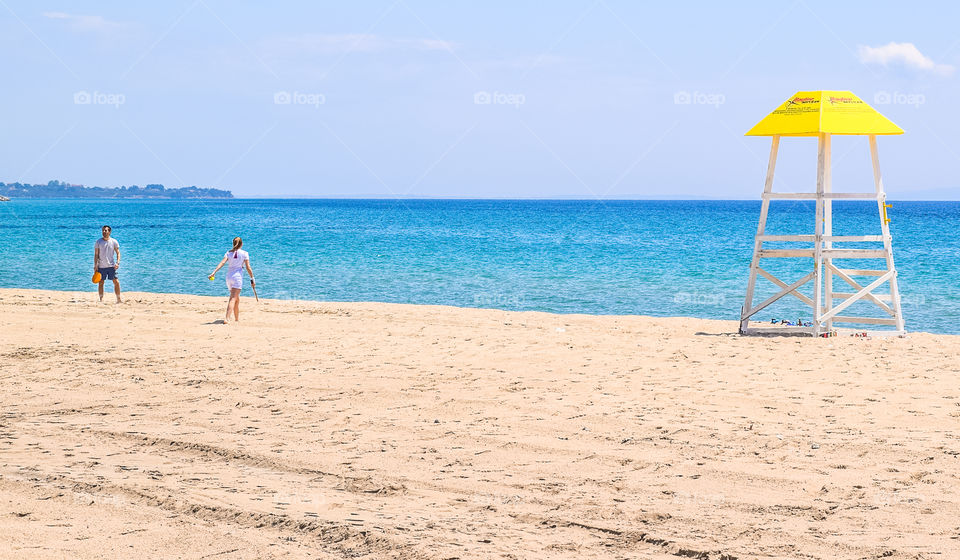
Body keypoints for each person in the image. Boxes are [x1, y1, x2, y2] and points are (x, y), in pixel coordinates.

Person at [208, 236, 255, 324]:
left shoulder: (228, 253)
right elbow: (248, 267)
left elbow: (222, 263)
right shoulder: (245, 253)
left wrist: (214, 272)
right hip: (237, 278)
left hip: (229, 278)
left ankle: (237, 319)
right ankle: (227, 318)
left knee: (237, 299)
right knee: (233, 298)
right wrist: (252, 278)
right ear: (241, 244)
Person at [94, 225, 122, 303]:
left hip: (111, 266)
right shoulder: (98, 242)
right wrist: (95, 265)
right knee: (101, 283)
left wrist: (117, 263)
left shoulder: (114, 241)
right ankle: (101, 299)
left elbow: (118, 253)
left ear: (109, 232)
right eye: (103, 230)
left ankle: (118, 299)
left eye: (106, 230)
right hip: (101, 266)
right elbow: (96, 254)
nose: (104, 232)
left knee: (116, 282)